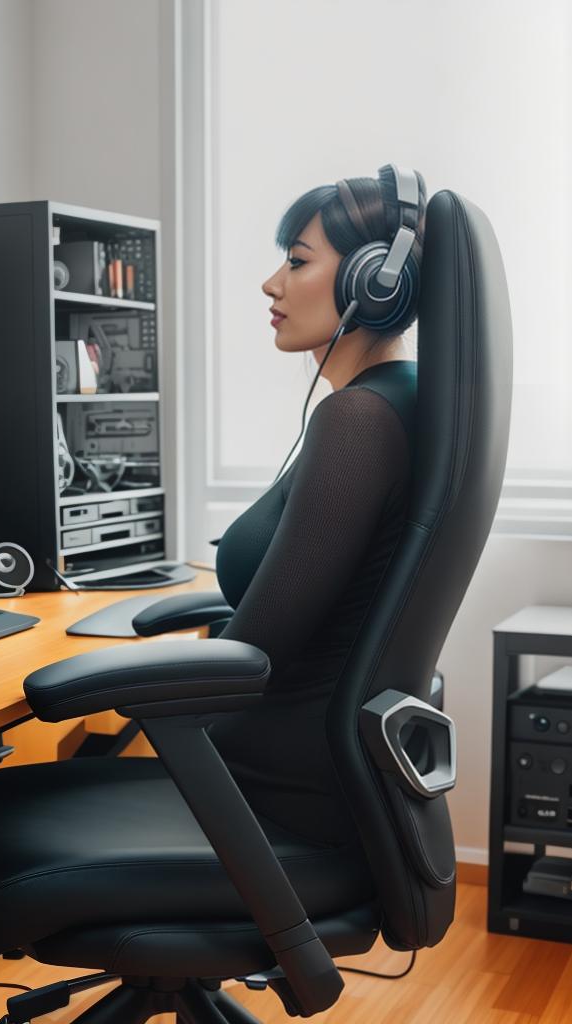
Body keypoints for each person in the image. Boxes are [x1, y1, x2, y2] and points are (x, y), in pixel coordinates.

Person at [209, 165, 427, 847]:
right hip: (317, 771)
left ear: (376, 280)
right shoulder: (399, 398)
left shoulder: (357, 421)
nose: (272, 284)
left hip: (277, 798)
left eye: (297, 261)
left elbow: (256, 651)